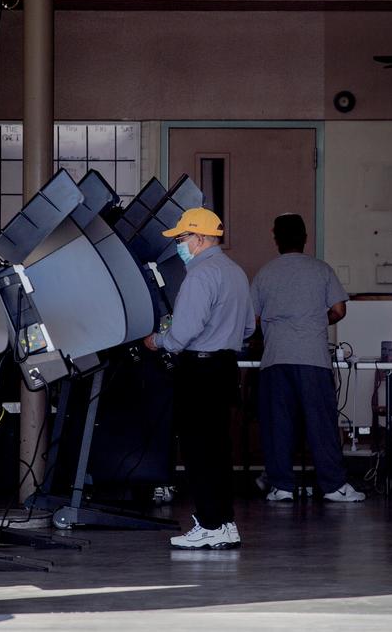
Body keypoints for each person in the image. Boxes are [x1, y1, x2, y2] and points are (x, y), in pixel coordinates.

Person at [144, 207, 254, 550]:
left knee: (198, 452)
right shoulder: (235, 272)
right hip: (224, 369)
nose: (179, 244)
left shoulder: (200, 274)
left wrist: (158, 341)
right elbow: (250, 326)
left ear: (201, 238)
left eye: (182, 238)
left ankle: (209, 524)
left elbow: (184, 331)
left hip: (199, 370)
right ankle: (224, 523)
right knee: (218, 450)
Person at [251, 213, 366, 503]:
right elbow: (339, 310)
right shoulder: (321, 270)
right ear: (304, 238)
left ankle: (282, 487)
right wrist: (314, 320)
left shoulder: (265, 273)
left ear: (276, 239)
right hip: (313, 357)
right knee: (321, 423)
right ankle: (334, 486)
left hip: (276, 358)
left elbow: (252, 320)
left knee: (278, 425)